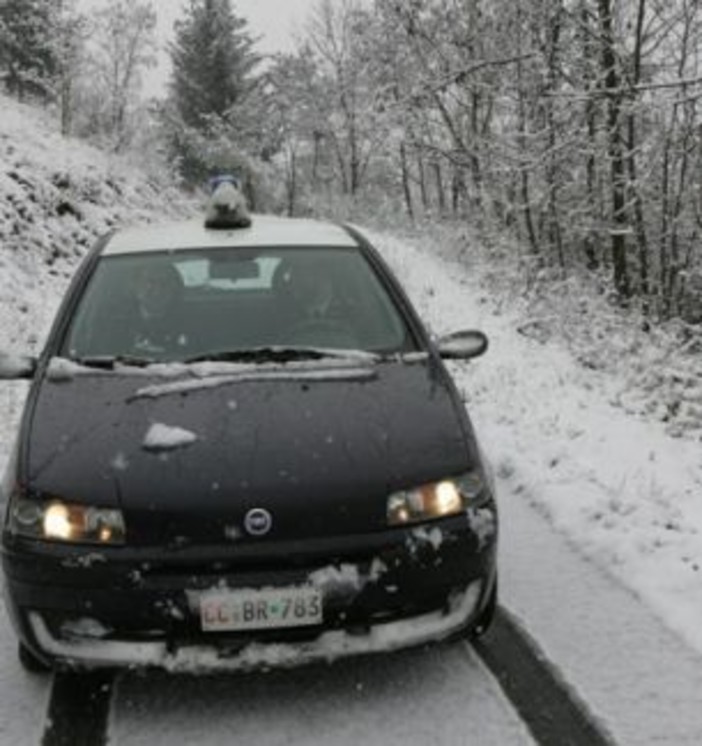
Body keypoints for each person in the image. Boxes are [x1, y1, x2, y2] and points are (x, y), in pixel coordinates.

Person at [130, 263, 186, 355]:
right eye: (150, 282)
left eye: (164, 283)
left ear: (175, 288)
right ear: (135, 285)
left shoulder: (190, 321)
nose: (157, 290)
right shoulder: (112, 321)